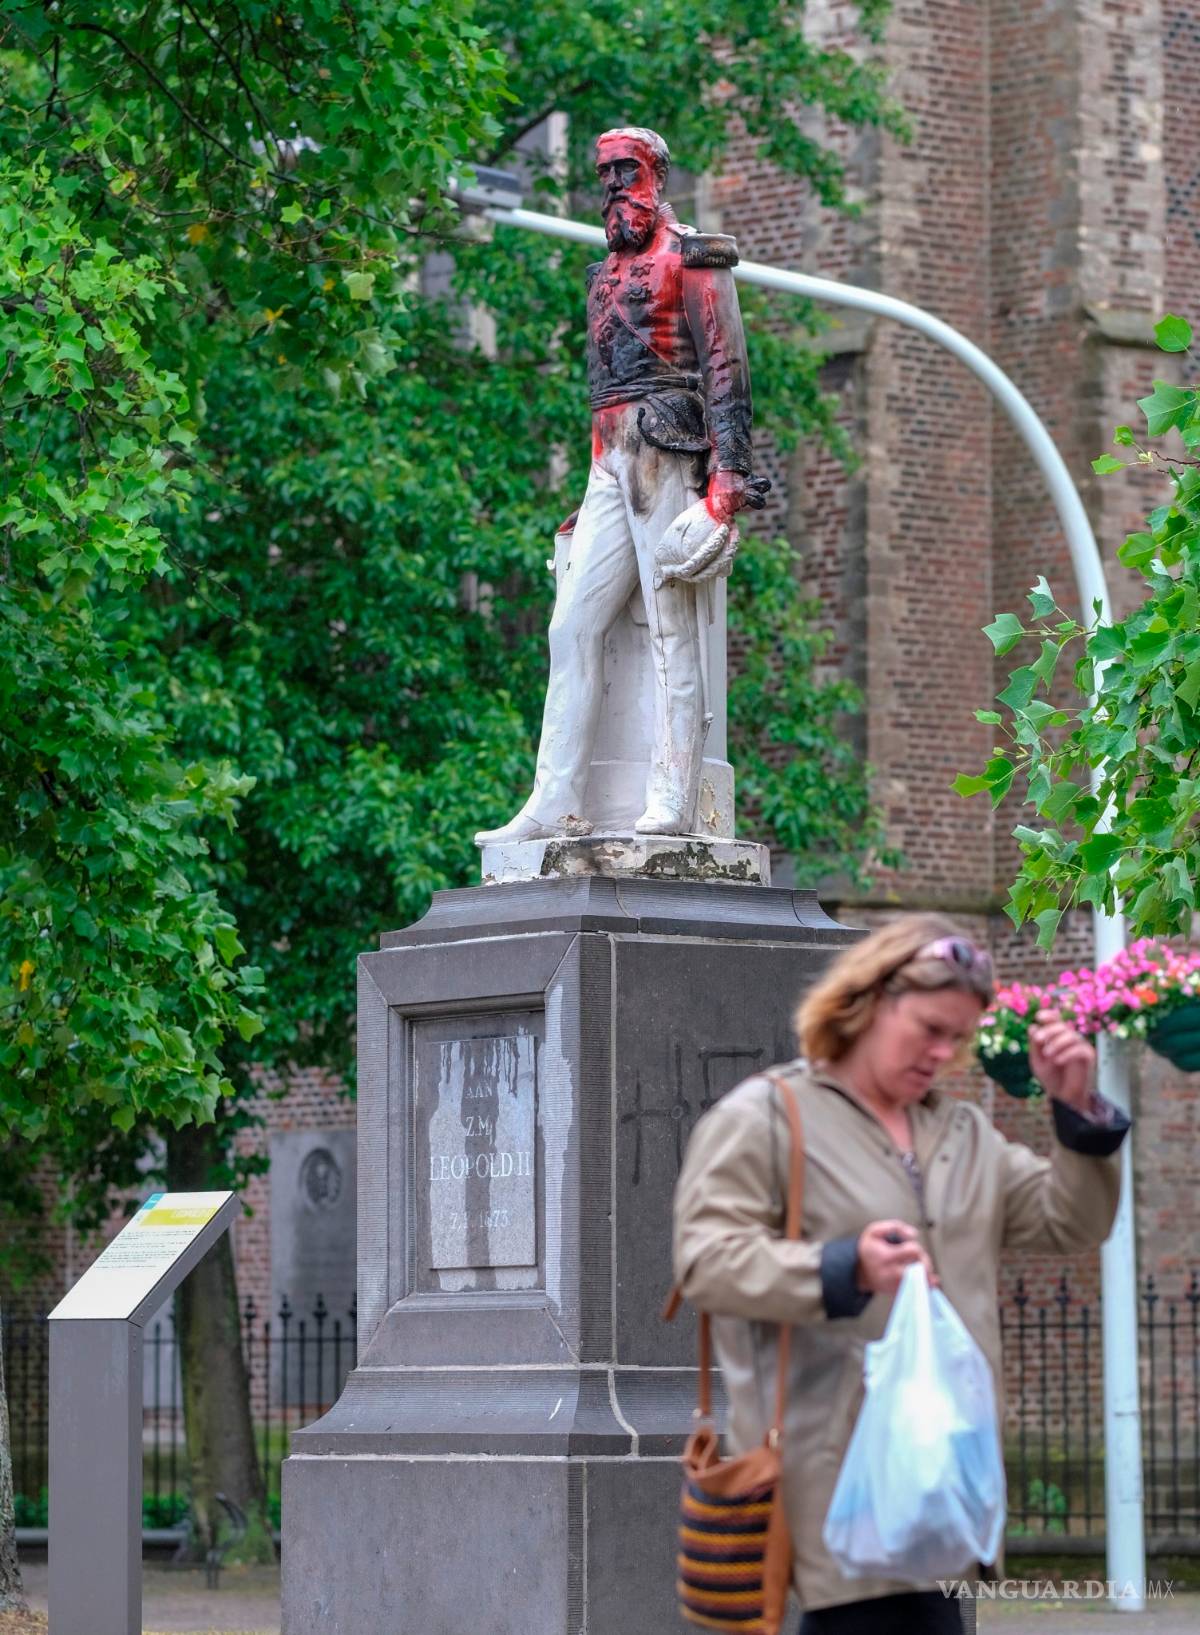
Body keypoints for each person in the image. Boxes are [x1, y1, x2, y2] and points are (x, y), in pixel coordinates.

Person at [672, 912, 1130, 1634]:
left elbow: (1068, 1222)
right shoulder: (768, 1116)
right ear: (868, 1001)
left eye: (959, 1038)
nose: (943, 1053)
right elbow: (704, 1261)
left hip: (940, 1487)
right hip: (835, 1491)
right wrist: (842, 1264)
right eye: (929, 1027)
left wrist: (1077, 1110)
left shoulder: (963, 1133)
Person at [475, 125, 767, 847]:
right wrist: (587, 484)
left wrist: (726, 484)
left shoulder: (695, 257)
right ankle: (554, 799)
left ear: (657, 175)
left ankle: (671, 794)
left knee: (671, 630)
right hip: (611, 460)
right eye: (603, 172)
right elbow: (600, 394)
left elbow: (727, 370)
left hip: (667, 450)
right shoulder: (599, 274)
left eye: (625, 170)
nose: (611, 184)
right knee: (570, 625)